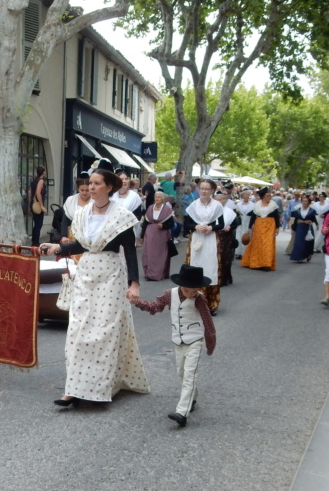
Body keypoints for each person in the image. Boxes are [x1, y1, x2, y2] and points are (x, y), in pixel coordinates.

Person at [39, 167, 149, 407]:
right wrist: (57, 248)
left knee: (103, 333)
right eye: (90, 183)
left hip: (110, 276)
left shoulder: (121, 216)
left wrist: (134, 284)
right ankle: (73, 388)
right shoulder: (83, 214)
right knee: (78, 331)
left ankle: (99, 389)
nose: (91, 187)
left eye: (97, 183)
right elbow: (80, 245)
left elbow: (129, 252)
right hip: (86, 274)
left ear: (109, 187)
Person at [130, 264, 217, 427]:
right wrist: (138, 302)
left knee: (190, 375)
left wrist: (210, 344)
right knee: (181, 373)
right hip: (178, 340)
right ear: (180, 285)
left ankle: (182, 412)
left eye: (194, 291)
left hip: (195, 341)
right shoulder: (170, 294)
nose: (191, 294)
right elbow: (155, 307)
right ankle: (193, 396)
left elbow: (208, 322)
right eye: (187, 290)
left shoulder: (199, 299)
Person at [184, 178, 225, 314]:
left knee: (210, 268)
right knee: (196, 267)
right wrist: (196, 226)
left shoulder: (217, 206)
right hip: (197, 238)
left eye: (207, 189)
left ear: (212, 190)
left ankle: (211, 303)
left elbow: (221, 224)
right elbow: (187, 224)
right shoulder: (193, 205)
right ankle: (193, 301)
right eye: (202, 188)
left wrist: (211, 228)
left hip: (210, 240)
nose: (204, 191)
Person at [240, 187, 280, 271]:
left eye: (270, 196)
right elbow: (253, 216)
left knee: (268, 244)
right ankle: (256, 262)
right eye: (267, 196)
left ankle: (266, 264)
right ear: (263, 197)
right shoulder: (257, 204)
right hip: (259, 225)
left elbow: (277, 217)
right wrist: (250, 227)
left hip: (269, 225)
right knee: (258, 244)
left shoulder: (273, 205)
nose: (269, 197)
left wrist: (277, 228)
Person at [141, 190, 176, 281]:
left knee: (160, 254)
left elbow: (171, 223)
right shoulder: (150, 208)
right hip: (150, 233)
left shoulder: (167, 210)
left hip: (161, 235)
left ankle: (158, 274)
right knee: (148, 253)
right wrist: (142, 236)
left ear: (163, 199)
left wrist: (164, 225)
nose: (157, 199)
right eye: (156, 197)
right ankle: (149, 273)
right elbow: (145, 223)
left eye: (159, 197)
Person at [215, 189, 240, 286]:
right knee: (215, 258)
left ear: (224, 201)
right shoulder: (211, 211)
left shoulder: (229, 211)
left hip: (226, 237)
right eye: (216, 200)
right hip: (215, 236)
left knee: (225, 258)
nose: (218, 202)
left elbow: (236, 222)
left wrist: (230, 226)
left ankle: (224, 278)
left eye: (220, 200)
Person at [288, 199, 317, 263]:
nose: (304, 202)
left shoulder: (311, 211)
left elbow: (314, 219)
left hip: (308, 228)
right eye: (303, 201)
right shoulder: (298, 210)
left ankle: (308, 255)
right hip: (300, 227)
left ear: (309, 203)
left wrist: (313, 223)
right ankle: (299, 257)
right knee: (299, 242)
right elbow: (295, 220)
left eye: (306, 201)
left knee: (308, 242)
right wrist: (293, 229)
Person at [234, 189, 254, 259]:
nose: (247, 196)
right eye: (246, 194)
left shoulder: (252, 205)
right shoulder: (238, 204)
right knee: (239, 236)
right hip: (240, 221)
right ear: (242, 196)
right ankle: (238, 253)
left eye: (249, 194)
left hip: (248, 221)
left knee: (247, 236)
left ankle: (245, 253)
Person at [29, 165, 46, 247]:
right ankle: (36, 242)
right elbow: (38, 193)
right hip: (38, 205)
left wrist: (30, 205)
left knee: (36, 223)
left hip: (33, 204)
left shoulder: (34, 181)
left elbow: (30, 193)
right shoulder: (41, 181)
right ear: (43, 172)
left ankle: (34, 240)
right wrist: (42, 205)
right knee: (38, 224)